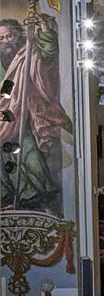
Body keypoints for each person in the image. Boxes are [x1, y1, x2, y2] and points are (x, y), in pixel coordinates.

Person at [0, 17, 73, 211]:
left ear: (19, 35)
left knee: (30, 155)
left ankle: (38, 194)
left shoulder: (28, 52)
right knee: (7, 157)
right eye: (1, 38)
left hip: (28, 115)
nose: (6, 41)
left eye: (10, 35)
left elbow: (49, 55)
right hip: (4, 120)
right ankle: (11, 197)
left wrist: (44, 30)